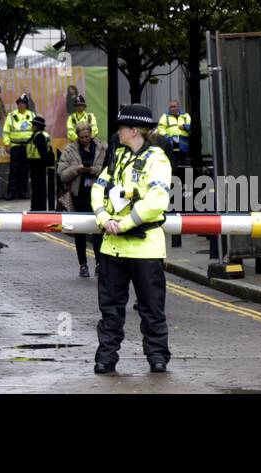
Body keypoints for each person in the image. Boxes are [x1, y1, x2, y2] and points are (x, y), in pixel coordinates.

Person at [90, 104, 173, 374]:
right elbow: (98, 190)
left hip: (145, 248)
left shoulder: (157, 159)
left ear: (134, 130)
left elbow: (157, 201)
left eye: (121, 127)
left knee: (151, 310)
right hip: (113, 247)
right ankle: (106, 358)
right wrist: (105, 220)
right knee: (110, 310)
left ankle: (157, 357)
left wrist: (123, 224)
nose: (118, 131)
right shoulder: (118, 157)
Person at [58, 122, 106, 277]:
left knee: (99, 230)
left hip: (98, 194)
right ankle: (83, 265)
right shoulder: (69, 150)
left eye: (88, 136)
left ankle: (99, 263)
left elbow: (110, 170)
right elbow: (62, 174)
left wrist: (96, 170)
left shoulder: (102, 147)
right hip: (79, 196)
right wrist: (76, 169)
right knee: (80, 232)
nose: (85, 139)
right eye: (82, 137)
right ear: (77, 136)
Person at [3, 96, 36, 200]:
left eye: (23, 103)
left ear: (26, 104)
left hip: (27, 146)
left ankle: (23, 192)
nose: (21, 105)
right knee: (14, 170)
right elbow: (6, 131)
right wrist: (7, 144)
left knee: (25, 170)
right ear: (17, 104)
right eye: (19, 103)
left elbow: (35, 131)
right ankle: (11, 193)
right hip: (15, 146)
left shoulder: (31, 115)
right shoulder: (11, 115)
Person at [27, 115, 54, 211]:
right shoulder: (41, 134)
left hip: (38, 165)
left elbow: (43, 152)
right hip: (38, 164)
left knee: (37, 188)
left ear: (38, 126)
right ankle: (38, 207)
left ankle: (37, 208)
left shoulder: (39, 136)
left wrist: (45, 163)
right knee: (38, 187)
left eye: (33, 125)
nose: (32, 127)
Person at [158, 100, 191, 165]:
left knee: (182, 158)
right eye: (171, 107)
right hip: (172, 139)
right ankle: (176, 168)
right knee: (175, 157)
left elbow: (191, 126)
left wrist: (185, 126)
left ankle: (179, 168)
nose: (172, 109)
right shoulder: (165, 116)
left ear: (178, 107)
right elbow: (160, 128)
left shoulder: (185, 116)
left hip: (184, 140)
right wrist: (166, 136)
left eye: (174, 107)